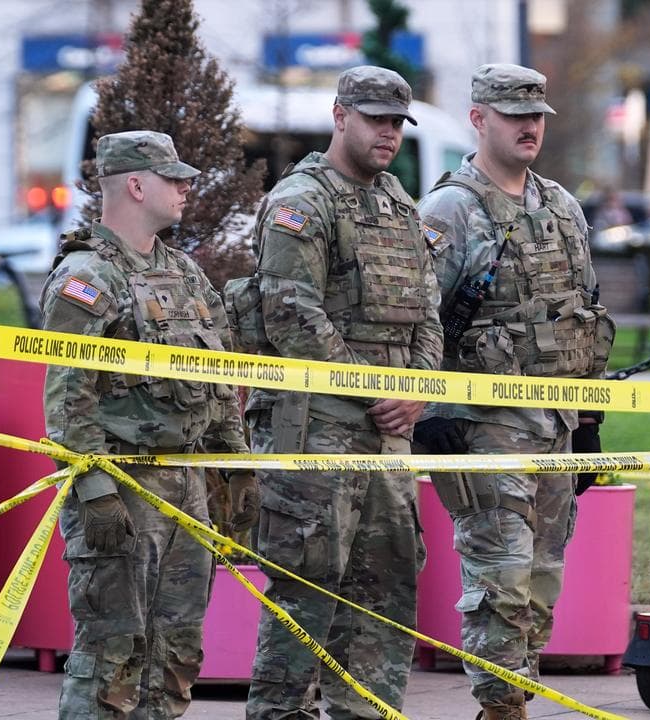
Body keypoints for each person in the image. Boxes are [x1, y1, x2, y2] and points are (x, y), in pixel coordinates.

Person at [239, 65, 443, 719]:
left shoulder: (400, 205)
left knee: (386, 585)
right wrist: (373, 389)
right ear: (340, 116)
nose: (388, 134)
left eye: (396, 123)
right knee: (308, 587)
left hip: (388, 436)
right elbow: (292, 315)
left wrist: (417, 389)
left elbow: (428, 315)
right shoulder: (303, 201)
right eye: (376, 119)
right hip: (316, 430)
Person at [413, 63, 614, 720]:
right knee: (500, 579)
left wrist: (588, 421)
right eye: (513, 115)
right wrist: (432, 411)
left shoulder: (560, 206)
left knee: (541, 582)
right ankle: (501, 708)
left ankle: (513, 692)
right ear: (479, 119)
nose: (530, 127)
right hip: (483, 425)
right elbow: (416, 319)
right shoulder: (449, 209)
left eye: (536, 116)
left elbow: (583, 311)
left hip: (554, 425)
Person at [41, 130, 253, 719]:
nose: (188, 187)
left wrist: (234, 468)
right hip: (122, 488)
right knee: (113, 659)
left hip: (187, 489)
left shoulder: (183, 273)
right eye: (173, 178)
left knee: (176, 653)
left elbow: (217, 375)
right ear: (136, 185)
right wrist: (94, 490)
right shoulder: (87, 277)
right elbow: (67, 395)